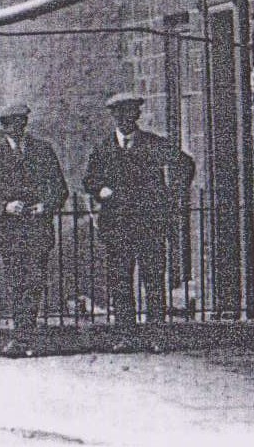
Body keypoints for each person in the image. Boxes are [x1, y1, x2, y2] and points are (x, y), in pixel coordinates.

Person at [82, 91, 193, 331]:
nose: (125, 119)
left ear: (137, 115)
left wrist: (172, 196)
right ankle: (125, 333)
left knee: (153, 280)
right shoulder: (103, 149)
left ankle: (155, 333)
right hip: (118, 225)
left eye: (130, 114)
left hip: (149, 224)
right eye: (119, 115)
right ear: (113, 117)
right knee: (120, 280)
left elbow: (185, 164)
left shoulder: (153, 144)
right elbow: (89, 181)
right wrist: (102, 191)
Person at [0, 103, 68, 349]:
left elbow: (60, 190)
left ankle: (29, 334)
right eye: (9, 125)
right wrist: (5, 206)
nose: (15, 129)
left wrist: (45, 206)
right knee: (16, 282)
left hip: (38, 229)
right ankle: (21, 335)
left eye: (19, 123)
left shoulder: (43, 151)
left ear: (25, 124)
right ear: (4, 128)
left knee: (35, 282)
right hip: (11, 232)